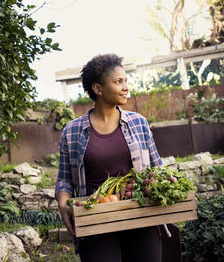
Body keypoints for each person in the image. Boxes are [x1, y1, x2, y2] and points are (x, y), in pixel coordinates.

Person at [55, 53, 164, 262]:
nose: (126, 87)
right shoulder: (72, 131)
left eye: (125, 81)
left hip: (141, 214)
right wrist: (63, 201)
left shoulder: (138, 123)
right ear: (98, 89)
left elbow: (157, 168)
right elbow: (64, 180)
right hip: (96, 219)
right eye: (118, 82)